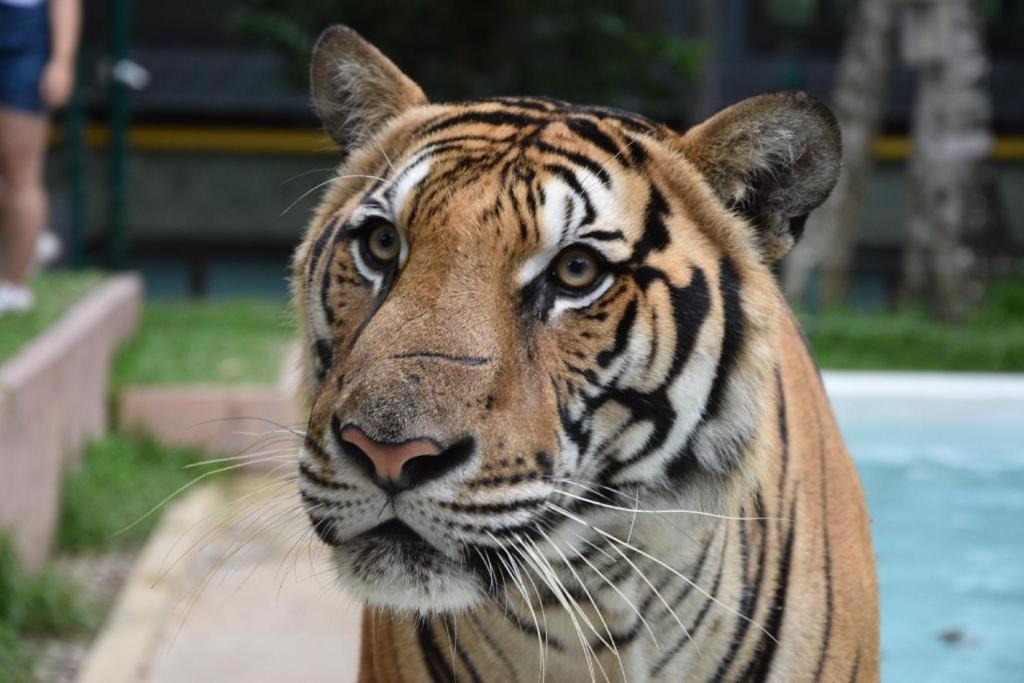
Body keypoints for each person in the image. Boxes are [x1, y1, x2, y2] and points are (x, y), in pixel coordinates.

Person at [0, 0, 80, 314]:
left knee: (21, 169)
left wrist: (62, 61)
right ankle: (30, 236)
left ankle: (14, 287)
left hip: (23, 34)